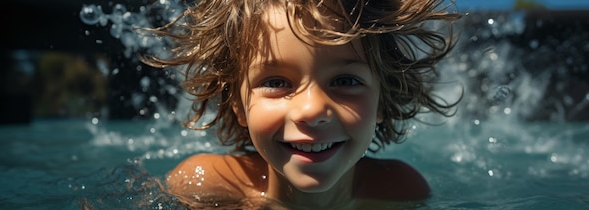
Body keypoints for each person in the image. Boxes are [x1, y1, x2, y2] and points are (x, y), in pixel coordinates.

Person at [140, 0, 461, 208]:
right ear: (237, 103)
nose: (311, 110)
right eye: (276, 82)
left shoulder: (399, 191)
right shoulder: (207, 186)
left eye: (345, 81)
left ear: (382, 99)